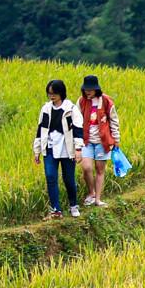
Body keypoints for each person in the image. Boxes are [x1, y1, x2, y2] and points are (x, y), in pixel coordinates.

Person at [32, 78, 82, 219]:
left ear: (61, 93)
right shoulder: (46, 109)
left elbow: (78, 129)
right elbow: (40, 129)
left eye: (54, 93)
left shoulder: (71, 109)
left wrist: (78, 149)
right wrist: (37, 150)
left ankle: (73, 205)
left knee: (68, 178)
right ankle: (56, 209)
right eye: (49, 94)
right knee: (50, 177)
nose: (51, 96)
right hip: (50, 147)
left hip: (67, 148)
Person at [77, 73, 121, 208]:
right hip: (86, 141)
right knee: (86, 168)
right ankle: (91, 193)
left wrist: (116, 139)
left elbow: (114, 120)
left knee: (100, 170)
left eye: (90, 90)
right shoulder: (81, 101)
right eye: (86, 90)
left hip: (103, 141)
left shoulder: (107, 101)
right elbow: (76, 120)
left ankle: (98, 199)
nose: (88, 92)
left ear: (96, 89)